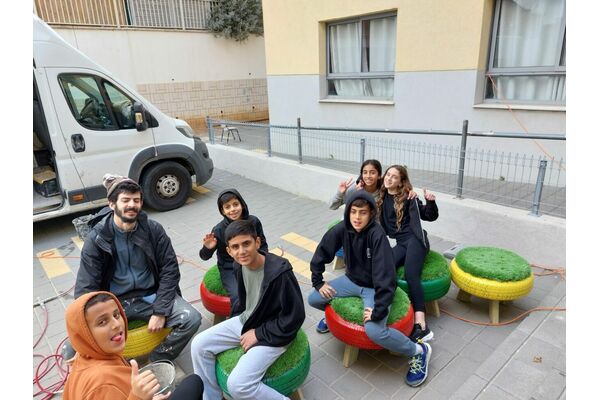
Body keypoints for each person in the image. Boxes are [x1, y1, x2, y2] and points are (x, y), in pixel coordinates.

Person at [308, 190, 432, 387]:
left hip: (374, 288)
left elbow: (386, 278)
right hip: (351, 281)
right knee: (313, 298)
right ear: (348, 212)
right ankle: (335, 313)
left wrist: (378, 310)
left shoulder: (377, 235)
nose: (357, 217)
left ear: (371, 214)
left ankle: (418, 351)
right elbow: (322, 251)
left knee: (375, 331)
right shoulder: (343, 228)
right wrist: (318, 281)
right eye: (353, 211)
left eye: (363, 212)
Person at [75, 174, 202, 362]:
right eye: (125, 200)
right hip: (114, 303)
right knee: (72, 346)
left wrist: (160, 311)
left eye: (136, 200)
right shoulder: (97, 238)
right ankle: (114, 368)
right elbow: (86, 287)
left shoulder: (153, 230)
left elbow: (170, 270)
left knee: (191, 318)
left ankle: (158, 361)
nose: (132, 205)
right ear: (112, 204)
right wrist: (89, 323)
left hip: (150, 295)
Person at [191, 220, 305, 400]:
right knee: (198, 344)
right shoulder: (238, 265)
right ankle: (211, 397)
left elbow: (295, 317)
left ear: (257, 242)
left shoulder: (280, 272)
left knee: (238, 385)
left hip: (275, 332)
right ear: (229, 251)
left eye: (246, 243)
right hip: (247, 321)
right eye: (235, 247)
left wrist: (258, 333)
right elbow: (244, 302)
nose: (242, 251)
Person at [63, 291, 204, 400]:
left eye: (116, 315)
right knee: (194, 383)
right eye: (102, 322)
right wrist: (138, 397)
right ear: (85, 334)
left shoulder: (83, 358)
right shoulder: (103, 384)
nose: (116, 324)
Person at [376, 165, 439, 343]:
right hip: (402, 243)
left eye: (394, 177)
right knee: (384, 266)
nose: (389, 178)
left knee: (411, 275)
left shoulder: (409, 197)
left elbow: (428, 216)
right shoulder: (382, 196)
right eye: (388, 174)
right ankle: (388, 307)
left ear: (401, 182)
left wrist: (430, 202)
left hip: (417, 240)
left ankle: (422, 325)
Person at [199, 189, 268, 310]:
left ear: (242, 204)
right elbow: (204, 256)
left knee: (267, 288)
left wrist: (264, 261)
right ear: (222, 211)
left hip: (253, 261)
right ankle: (240, 320)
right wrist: (208, 248)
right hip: (230, 267)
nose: (232, 209)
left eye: (235, 204)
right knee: (238, 297)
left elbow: (263, 245)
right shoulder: (218, 230)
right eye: (227, 207)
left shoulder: (254, 221)